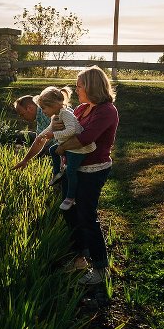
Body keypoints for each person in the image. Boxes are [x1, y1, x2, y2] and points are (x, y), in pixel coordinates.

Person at [52, 66, 118, 285]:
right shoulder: (81, 109)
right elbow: (64, 127)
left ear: (91, 87)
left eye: (79, 85)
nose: (76, 88)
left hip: (93, 170)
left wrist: (60, 149)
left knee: (87, 216)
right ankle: (79, 258)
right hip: (72, 168)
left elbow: (86, 138)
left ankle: (101, 269)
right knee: (69, 211)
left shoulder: (107, 110)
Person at [33, 86, 96, 211]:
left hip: (78, 148)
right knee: (52, 150)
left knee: (71, 171)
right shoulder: (56, 115)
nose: (43, 111)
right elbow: (50, 129)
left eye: (44, 108)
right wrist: (41, 136)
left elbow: (71, 131)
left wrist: (54, 135)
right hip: (69, 145)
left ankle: (70, 197)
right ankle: (57, 174)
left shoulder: (66, 114)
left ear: (54, 105)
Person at [10, 95, 51, 170]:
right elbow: (39, 142)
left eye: (22, 114)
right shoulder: (40, 117)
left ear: (30, 108)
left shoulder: (46, 113)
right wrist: (25, 160)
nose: (22, 118)